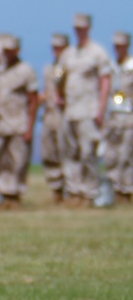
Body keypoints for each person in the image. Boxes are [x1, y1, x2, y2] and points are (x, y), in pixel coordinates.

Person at [57, 14, 112, 206]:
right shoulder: (69, 53)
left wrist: (101, 109)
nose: (78, 30)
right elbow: (60, 76)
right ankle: (74, 192)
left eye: (82, 27)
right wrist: (59, 95)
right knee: (69, 153)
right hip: (70, 110)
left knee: (88, 152)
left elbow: (106, 80)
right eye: (76, 27)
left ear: (88, 28)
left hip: (88, 109)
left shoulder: (97, 52)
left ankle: (89, 193)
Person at [0, 35, 39, 209]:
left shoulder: (26, 70)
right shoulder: (0, 70)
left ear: (18, 51)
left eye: (11, 51)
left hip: (19, 122)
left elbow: (33, 99)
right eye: (5, 51)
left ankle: (13, 195)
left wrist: (30, 127)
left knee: (18, 160)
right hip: (0, 122)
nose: (8, 54)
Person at [38, 34, 68, 203]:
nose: (56, 51)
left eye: (59, 47)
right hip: (49, 116)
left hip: (64, 116)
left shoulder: (69, 67)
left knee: (66, 153)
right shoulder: (49, 69)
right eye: (54, 47)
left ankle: (70, 189)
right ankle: (56, 189)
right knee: (49, 153)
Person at [105, 32, 133, 203]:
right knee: (112, 154)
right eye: (116, 46)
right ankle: (115, 189)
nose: (118, 49)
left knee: (126, 155)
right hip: (114, 115)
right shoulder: (111, 66)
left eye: (121, 45)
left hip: (129, 117)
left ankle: (127, 190)